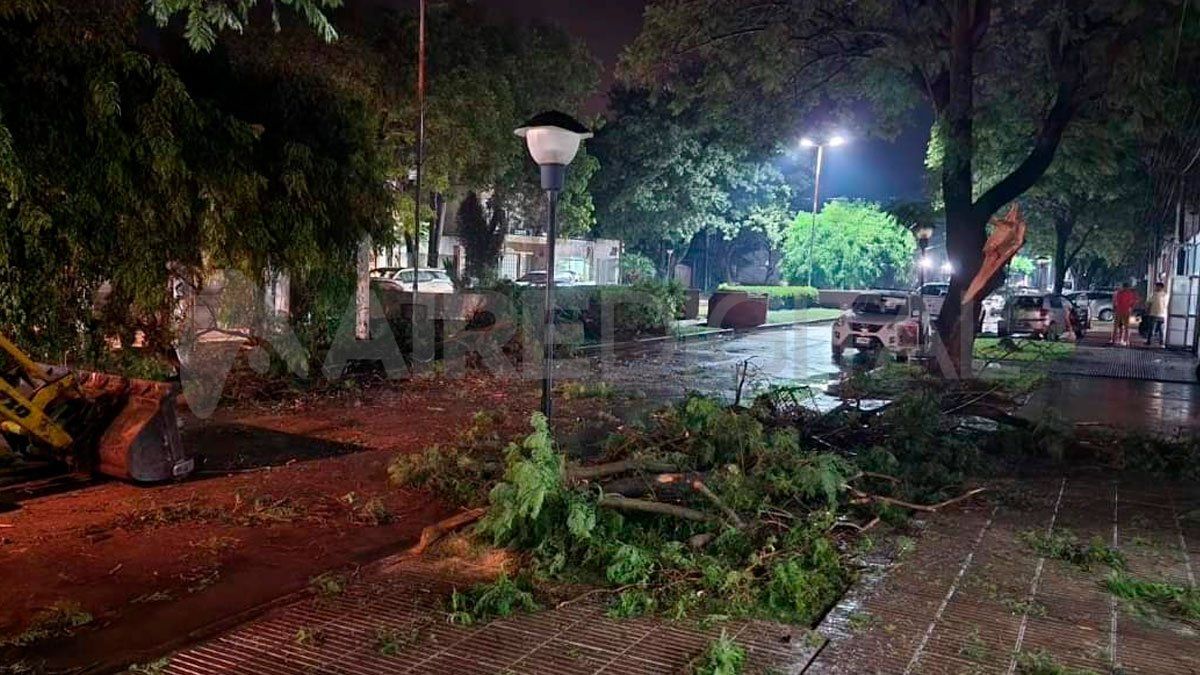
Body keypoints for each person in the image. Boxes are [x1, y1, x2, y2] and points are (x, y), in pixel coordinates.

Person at [1111, 282, 1138, 346]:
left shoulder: (1119, 293)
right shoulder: (1130, 294)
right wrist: (1131, 308)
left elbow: (1115, 302)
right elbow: (1134, 302)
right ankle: (1126, 340)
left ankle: (1115, 340)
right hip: (1125, 311)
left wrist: (1114, 309)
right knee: (1126, 327)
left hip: (1120, 311)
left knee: (1117, 326)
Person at [1145, 282, 1169, 347]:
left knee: (1154, 328)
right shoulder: (1165, 295)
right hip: (1160, 314)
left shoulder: (1155, 295)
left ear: (1160, 287)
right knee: (1158, 329)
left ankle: (1151, 341)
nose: (1155, 288)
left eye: (1156, 286)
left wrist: (1147, 310)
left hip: (1156, 314)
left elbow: (1149, 303)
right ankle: (1156, 342)